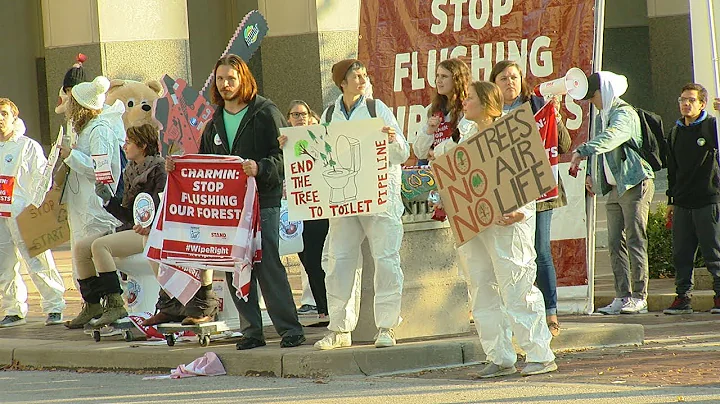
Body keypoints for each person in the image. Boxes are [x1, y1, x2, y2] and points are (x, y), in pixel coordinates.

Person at [166, 54, 305, 349]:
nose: (226, 84)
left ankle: (290, 329)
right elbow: (204, 163)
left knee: (267, 264)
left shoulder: (266, 112)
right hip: (227, 210)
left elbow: (284, 156)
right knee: (233, 267)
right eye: (220, 79)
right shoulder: (214, 120)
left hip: (262, 203)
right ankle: (251, 331)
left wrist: (260, 168)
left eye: (231, 78)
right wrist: (178, 167)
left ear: (243, 79)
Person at [447, 81, 557, 377]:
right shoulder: (464, 136)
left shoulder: (512, 132)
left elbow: (530, 178)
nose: (464, 103)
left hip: (509, 225)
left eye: (470, 98)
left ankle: (539, 354)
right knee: (482, 289)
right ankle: (499, 356)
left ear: (486, 103)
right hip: (478, 228)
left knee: (517, 287)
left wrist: (520, 210)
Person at [313, 59, 409, 350]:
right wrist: (293, 146)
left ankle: (387, 327)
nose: (363, 79)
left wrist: (391, 140)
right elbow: (319, 154)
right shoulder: (329, 114)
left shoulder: (376, 109)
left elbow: (402, 153)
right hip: (344, 200)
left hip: (380, 199)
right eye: (356, 75)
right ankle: (340, 329)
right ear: (342, 82)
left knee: (386, 261)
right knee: (339, 262)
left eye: (365, 74)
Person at [490, 60, 572, 336]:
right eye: (503, 78)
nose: (510, 82)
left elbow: (563, 145)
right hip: (506, 193)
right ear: (494, 83)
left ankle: (550, 313)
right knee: (510, 255)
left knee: (540, 250)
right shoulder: (490, 112)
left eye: (514, 77)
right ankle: (515, 314)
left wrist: (557, 118)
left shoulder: (536, 105)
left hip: (539, 191)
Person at [65, 124, 167, 328]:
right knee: (81, 247)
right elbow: (127, 214)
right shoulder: (130, 170)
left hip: (152, 231)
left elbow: (161, 206)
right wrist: (109, 201)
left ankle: (115, 304)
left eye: (129, 142)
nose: (125, 146)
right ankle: (93, 304)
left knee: (100, 246)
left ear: (143, 146)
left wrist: (146, 224)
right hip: (132, 227)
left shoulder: (160, 169)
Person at [570, 71, 654, 315]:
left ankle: (640, 296)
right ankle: (622, 295)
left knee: (635, 239)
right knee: (614, 242)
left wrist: (583, 150)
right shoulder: (601, 116)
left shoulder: (623, 113)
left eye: (593, 96)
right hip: (614, 188)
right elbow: (601, 151)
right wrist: (590, 175)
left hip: (634, 182)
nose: (591, 101)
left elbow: (611, 138)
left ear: (603, 92)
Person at [59, 76, 127, 328]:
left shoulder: (99, 131)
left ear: (81, 107)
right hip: (81, 206)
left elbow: (102, 170)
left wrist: (71, 156)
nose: (66, 108)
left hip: (96, 207)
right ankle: (92, 303)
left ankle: (113, 303)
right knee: (80, 254)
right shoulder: (86, 130)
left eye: (71, 104)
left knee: (96, 253)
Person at [0, 98, 66, 327]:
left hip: (22, 212)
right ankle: (13, 309)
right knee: (4, 266)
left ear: (14, 117)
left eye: (4, 113)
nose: (0, 119)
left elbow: (41, 178)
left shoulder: (27, 146)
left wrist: (35, 208)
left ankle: (54, 305)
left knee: (37, 260)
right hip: (0, 217)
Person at [663, 83, 720, 315]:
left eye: (691, 100)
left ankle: (719, 295)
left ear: (702, 104)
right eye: (682, 99)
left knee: (713, 251)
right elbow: (672, 171)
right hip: (683, 201)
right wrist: (671, 200)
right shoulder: (675, 132)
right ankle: (683, 297)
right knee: (682, 253)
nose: (686, 104)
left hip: (708, 198)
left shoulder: (711, 126)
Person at [286, 100, 328, 319]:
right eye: (295, 114)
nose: (299, 118)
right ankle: (322, 309)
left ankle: (329, 307)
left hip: (320, 209)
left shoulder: (320, 139)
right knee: (309, 262)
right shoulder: (283, 144)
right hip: (297, 212)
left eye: (303, 114)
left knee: (323, 259)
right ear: (288, 119)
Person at [413, 58, 476, 164]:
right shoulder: (432, 109)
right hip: (437, 169)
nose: (438, 81)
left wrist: (436, 152)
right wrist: (429, 131)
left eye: (444, 76)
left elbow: (462, 141)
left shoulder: (468, 106)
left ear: (457, 80)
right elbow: (420, 153)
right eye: (437, 76)